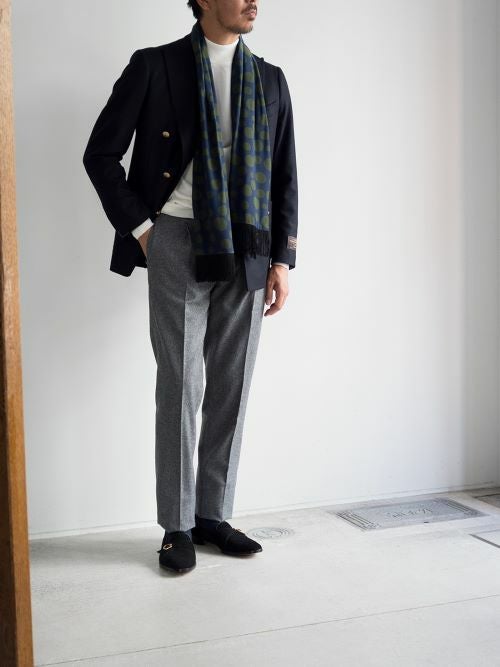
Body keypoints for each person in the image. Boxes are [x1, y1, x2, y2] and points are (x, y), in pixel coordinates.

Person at [82, 0, 298, 574]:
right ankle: (176, 526)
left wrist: (282, 258)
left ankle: (212, 516)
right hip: (176, 237)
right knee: (181, 382)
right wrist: (143, 229)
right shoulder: (154, 66)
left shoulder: (270, 79)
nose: (253, 1)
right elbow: (100, 154)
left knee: (232, 383)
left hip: (249, 242)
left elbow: (284, 171)